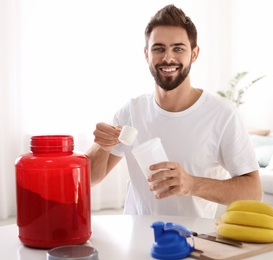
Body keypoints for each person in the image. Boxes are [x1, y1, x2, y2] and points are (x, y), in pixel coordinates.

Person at [86, 4, 262, 218]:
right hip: (137, 238)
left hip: (193, 242)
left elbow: (253, 193)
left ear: (194, 54)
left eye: (178, 48)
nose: (168, 58)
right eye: (158, 48)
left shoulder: (222, 114)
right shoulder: (132, 110)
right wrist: (100, 146)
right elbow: (91, 178)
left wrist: (192, 184)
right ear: (146, 54)